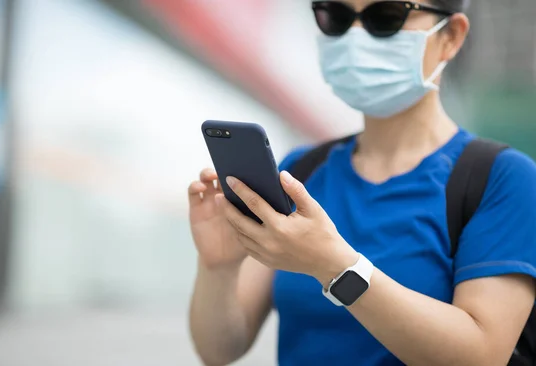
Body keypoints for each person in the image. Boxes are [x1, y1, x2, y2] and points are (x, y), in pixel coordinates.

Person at [187, 0, 536, 365]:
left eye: (385, 17)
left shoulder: (503, 178)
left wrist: (336, 267)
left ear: (450, 36)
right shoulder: (300, 172)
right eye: (335, 17)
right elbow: (219, 350)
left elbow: (482, 356)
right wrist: (219, 267)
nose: (354, 37)